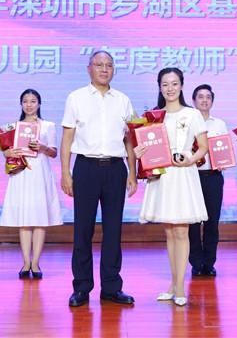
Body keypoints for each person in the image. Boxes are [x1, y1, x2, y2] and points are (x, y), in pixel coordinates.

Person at [61, 50, 138, 307]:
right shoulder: (76, 98)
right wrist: (65, 173)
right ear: (89, 69)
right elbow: (67, 139)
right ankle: (82, 287)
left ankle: (112, 287)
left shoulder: (123, 100)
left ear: (114, 69)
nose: (104, 69)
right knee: (83, 229)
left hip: (116, 169)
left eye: (109, 65)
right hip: (86, 168)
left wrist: (133, 172)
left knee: (113, 230)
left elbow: (129, 140)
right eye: (99, 65)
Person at [135, 67, 209, 306]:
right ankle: (173, 284)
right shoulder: (153, 117)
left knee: (181, 231)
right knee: (169, 231)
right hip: (164, 176)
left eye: (174, 83)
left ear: (182, 85)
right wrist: (140, 153)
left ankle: (179, 287)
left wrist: (190, 159)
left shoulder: (192, 114)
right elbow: (146, 146)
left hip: (184, 174)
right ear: (160, 87)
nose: (170, 88)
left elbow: (203, 147)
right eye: (165, 84)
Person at [0, 89, 63, 279]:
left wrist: (43, 147)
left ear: (39, 104)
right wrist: (7, 153)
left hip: (40, 174)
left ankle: (35, 263)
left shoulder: (48, 126)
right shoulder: (14, 127)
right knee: (24, 220)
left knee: (40, 219)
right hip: (21, 174)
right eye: (25, 101)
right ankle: (26, 262)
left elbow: (54, 153)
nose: (29, 105)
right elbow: (6, 151)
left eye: (33, 101)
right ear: (21, 104)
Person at [188, 84, 228, 277]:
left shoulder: (219, 124)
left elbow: (224, 149)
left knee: (212, 222)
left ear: (212, 101)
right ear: (194, 100)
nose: (204, 100)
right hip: (191, 177)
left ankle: (209, 263)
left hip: (213, 177)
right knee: (193, 222)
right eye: (200, 97)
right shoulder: (187, 122)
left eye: (208, 97)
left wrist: (225, 161)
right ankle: (196, 263)